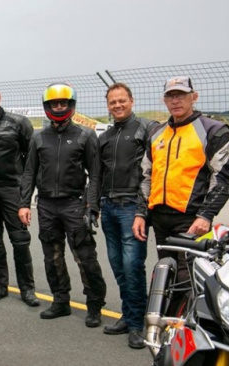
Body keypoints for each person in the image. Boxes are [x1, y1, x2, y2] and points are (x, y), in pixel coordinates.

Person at [19, 82, 107, 327]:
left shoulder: (85, 135)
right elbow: (28, 173)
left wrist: (92, 207)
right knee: (52, 257)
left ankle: (95, 304)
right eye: (54, 103)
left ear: (71, 105)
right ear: (47, 106)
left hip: (75, 204)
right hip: (46, 205)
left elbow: (96, 175)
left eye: (63, 103)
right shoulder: (38, 137)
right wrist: (24, 203)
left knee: (85, 257)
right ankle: (60, 301)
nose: (59, 107)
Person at [132, 77, 229, 285]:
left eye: (181, 95)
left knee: (186, 277)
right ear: (164, 101)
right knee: (165, 275)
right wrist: (141, 213)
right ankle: (168, 317)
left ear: (193, 97)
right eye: (170, 96)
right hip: (160, 218)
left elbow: (223, 178)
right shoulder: (156, 132)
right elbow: (146, 176)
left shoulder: (213, 130)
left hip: (191, 219)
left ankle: (185, 318)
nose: (175, 101)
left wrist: (205, 215)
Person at [98, 83, 157, 348]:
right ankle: (128, 314)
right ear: (108, 105)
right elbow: (97, 174)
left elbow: (152, 171)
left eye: (122, 101)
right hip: (108, 207)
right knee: (118, 266)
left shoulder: (147, 129)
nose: (117, 105)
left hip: (132, 207)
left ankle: (137, 325)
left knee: (133, 267)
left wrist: (142, 211)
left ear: (131, 101)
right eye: (113, 102)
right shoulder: (105, 136)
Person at [0, 85, 39, 307]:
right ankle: (0, 285)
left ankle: (27, 289)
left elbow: (32, 158)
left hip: (12, 187)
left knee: (20, 240)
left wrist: (27, 193)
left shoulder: (18, 122)